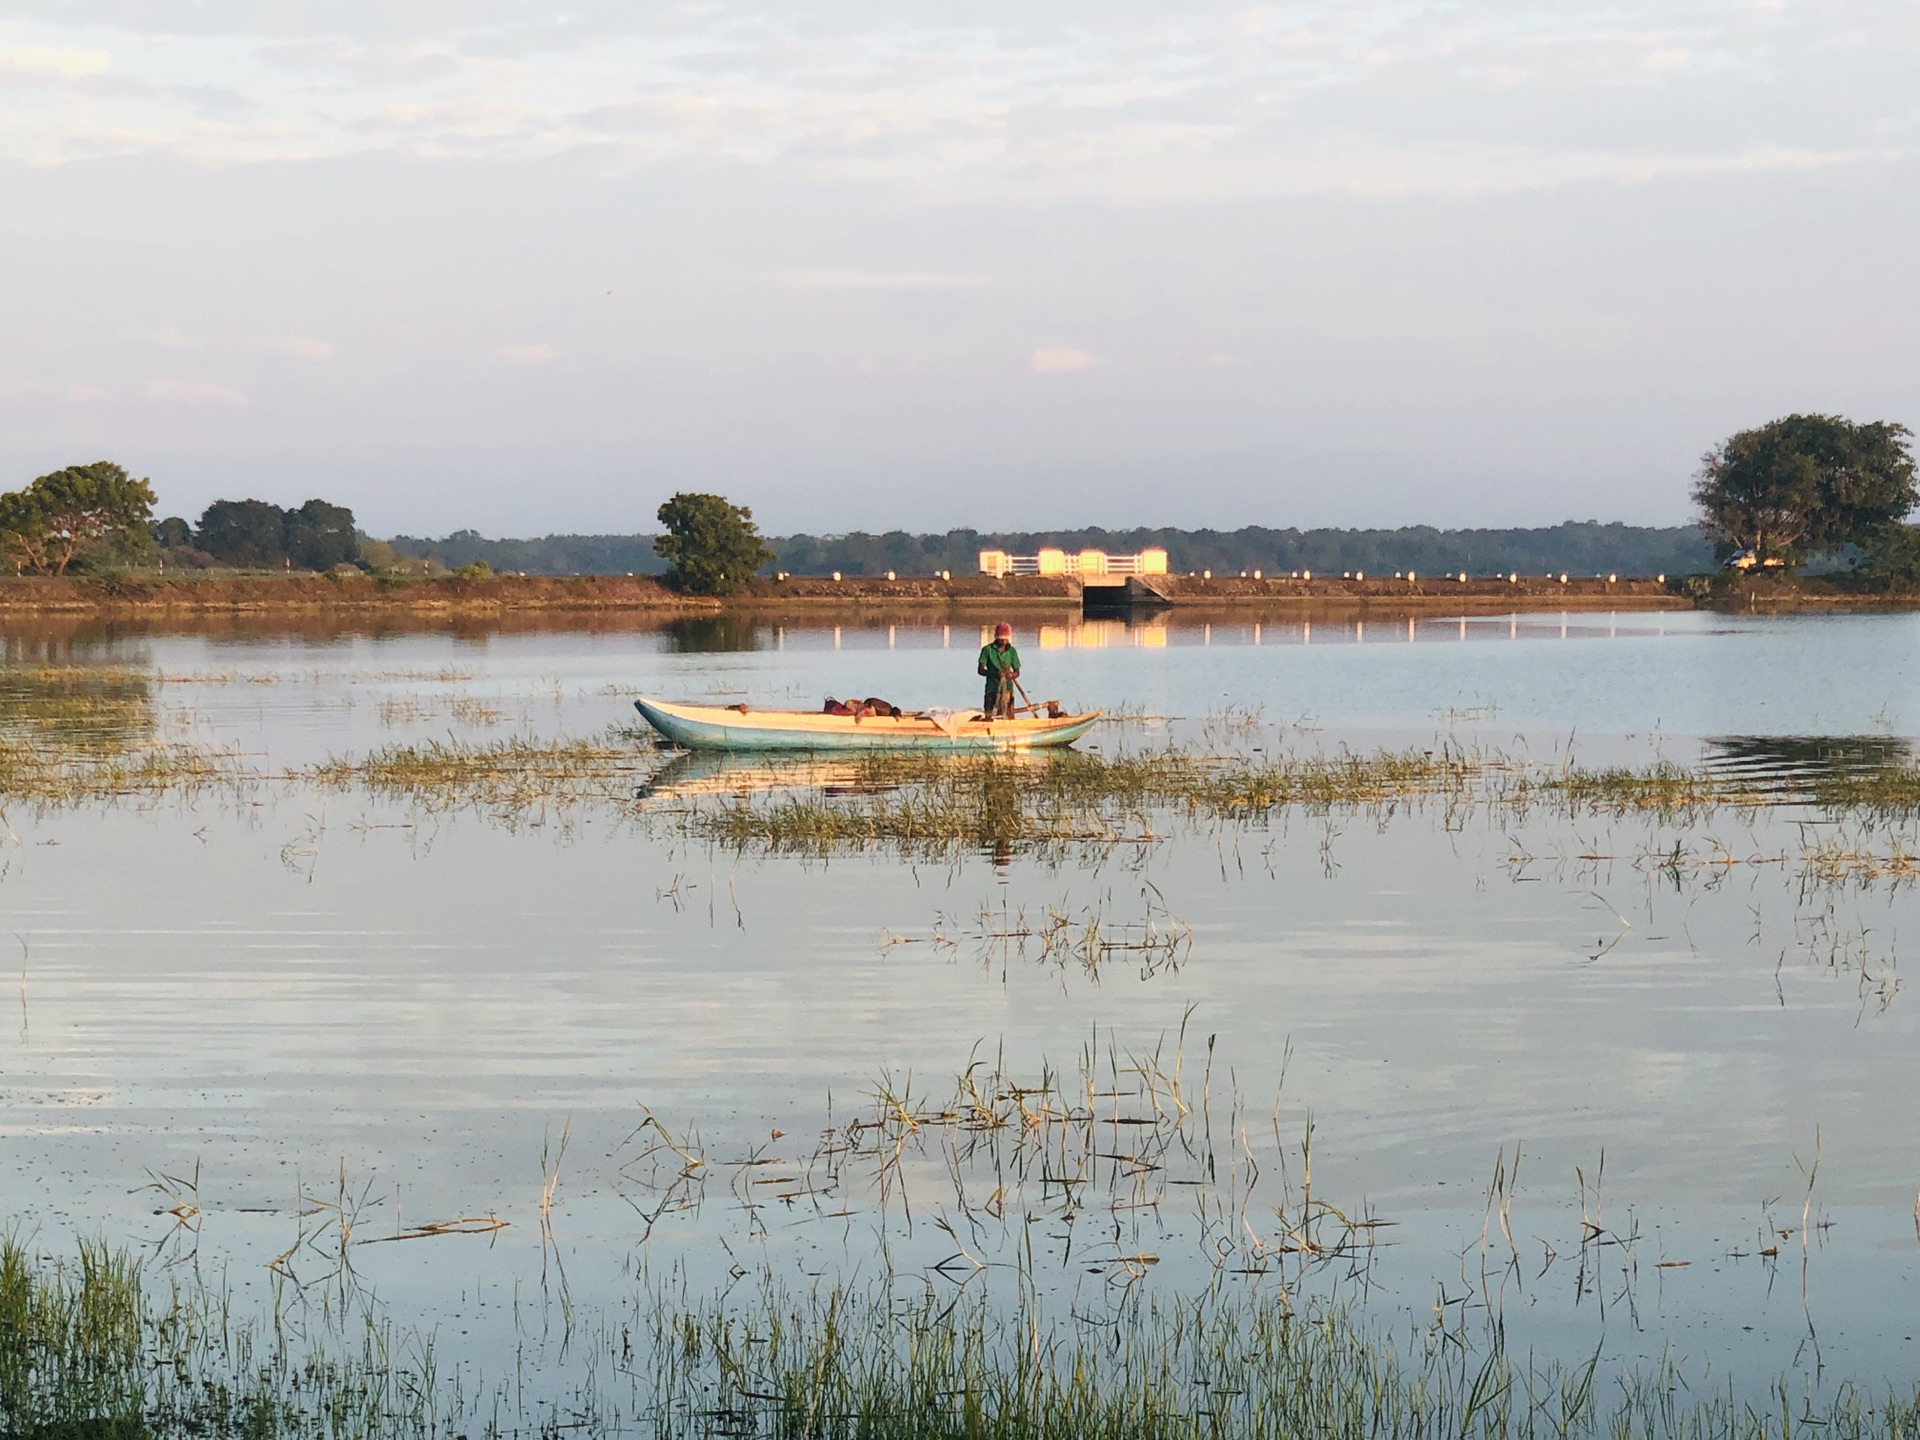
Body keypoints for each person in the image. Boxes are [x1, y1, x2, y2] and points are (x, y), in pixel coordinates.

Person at [977, 622, 1021, 718]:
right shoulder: (987, 650)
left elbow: (1017, 672)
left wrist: (1012, 675)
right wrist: (994, 673)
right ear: (996, 638)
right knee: (988, 715)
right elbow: (980, 670)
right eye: (1001, 640)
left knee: (1008, 715)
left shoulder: (1012, 651)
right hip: (991, 688)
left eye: (1006, 639)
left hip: (1007, 689)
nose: (1004, 642)